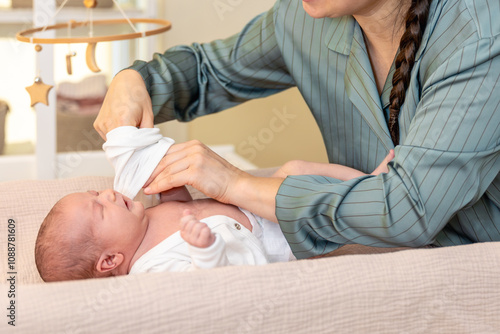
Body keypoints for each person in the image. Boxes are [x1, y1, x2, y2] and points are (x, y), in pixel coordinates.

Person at [94, 0, 500, 260]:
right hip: (383, 255)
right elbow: (207, 71)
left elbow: (408, 209)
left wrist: (234, 183)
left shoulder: (480, 35)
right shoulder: (305, 19)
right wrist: (135, 80)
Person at [34, 152, 394, 282]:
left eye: (96, 193)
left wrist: (169, 185)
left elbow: (182, 206)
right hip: (271, 239)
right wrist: (204, 249)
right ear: (110, 259)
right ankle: (369, 209)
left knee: (294, 168)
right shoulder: (150, 270)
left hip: (255, 207)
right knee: (325, 218)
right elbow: (201, 285)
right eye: (100, 208)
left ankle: (370, 182)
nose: (108, 193)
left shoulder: (144, 222)